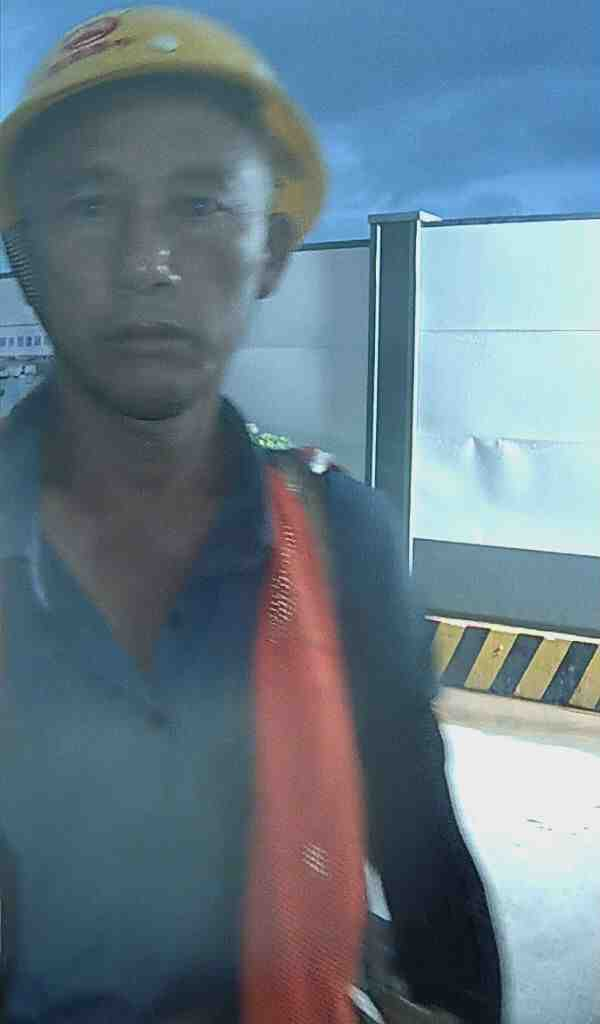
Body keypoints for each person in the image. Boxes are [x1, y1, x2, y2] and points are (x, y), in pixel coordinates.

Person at [0, 7, 502, 1023]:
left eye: (200, 206)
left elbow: (431, 882)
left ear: (269, 253)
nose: (148, 263)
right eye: (91, 206)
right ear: (26, 255)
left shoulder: (344, 545)